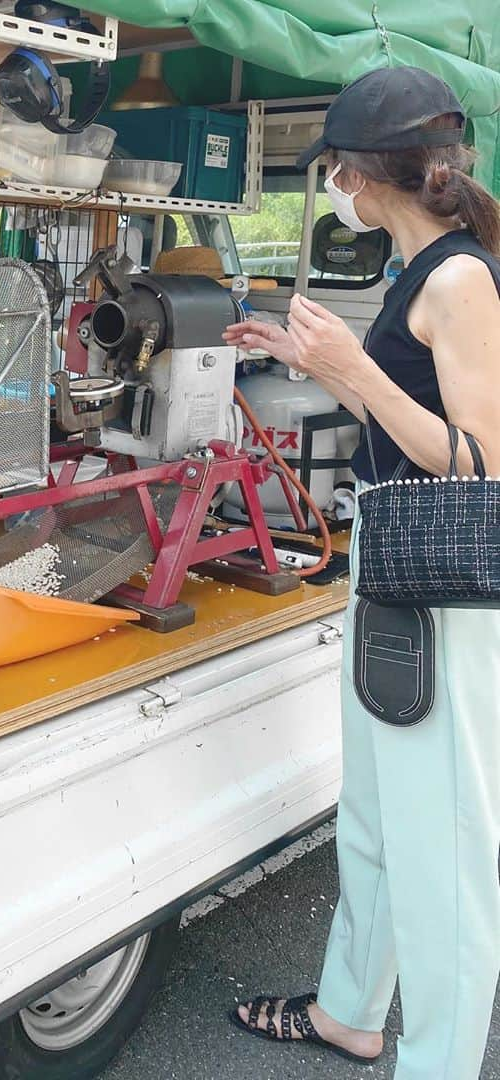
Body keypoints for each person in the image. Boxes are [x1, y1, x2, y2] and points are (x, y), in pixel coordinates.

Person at [223, 66, 500, 1079]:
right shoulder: (413, 272)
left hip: (445, 587)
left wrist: (351, 371)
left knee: (449, 859)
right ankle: (351, 1013)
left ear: (363, 174)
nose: (333, 188)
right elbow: (404, 420)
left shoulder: (463, 278)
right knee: (379, 822)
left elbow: (479, 462)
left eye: (333, 171)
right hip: (393, 561)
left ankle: (438, 1063)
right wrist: (310, 367)